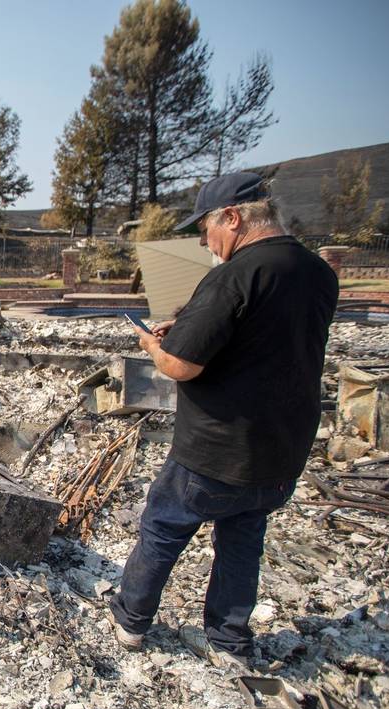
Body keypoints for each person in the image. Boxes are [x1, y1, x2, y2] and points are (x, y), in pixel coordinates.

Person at [108, 172, 339, 668]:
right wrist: (189, 328)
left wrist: (154, 343)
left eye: (206, 227)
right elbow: (263, 340)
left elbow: (180, 365)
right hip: (282, 450)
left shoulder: (235, 275)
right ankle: (229, 640)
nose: (203, 240)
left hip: (218, 447)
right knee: (242, 542)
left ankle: (130, 619)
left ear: (233, 218)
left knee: (164, 526)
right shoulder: (318, 272)